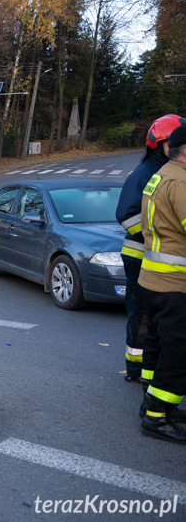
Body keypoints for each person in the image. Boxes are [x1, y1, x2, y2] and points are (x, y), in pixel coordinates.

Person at [115, 114, 180, 383]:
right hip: (140, 255)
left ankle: (150, 367)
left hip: (158, 259)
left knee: (156, 319)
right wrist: (154, 234)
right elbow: (126, 214)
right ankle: (135, 369)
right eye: (170, 142)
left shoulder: (168, 171)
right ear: (158, 144)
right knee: (140, 316)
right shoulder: (143, 174)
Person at [137, 120, 186, 443]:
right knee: (178, 352)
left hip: (153, 279)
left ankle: (153, 404)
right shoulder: (181, 183)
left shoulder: (159, 176)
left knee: (157, 344)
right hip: (174, 285)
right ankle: (157, 416)